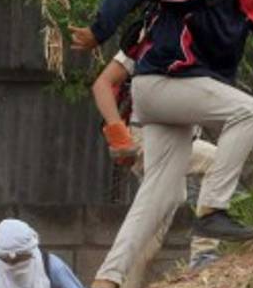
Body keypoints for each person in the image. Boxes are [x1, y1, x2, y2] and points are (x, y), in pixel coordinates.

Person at [70, 0, 253, 288]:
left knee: (159, 195)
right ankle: (212, 210)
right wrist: (100, 30)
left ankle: (102, 286)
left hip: (176, 96)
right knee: (250, 111)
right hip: (162, 83)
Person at [92, 45, 222, 270]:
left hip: (177, 142)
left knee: (157, 218)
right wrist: (119, 137)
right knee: (217, 161)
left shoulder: (199, 42)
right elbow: (102, 84)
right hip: (146, 138)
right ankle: (203, 255)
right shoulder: (145, 41)